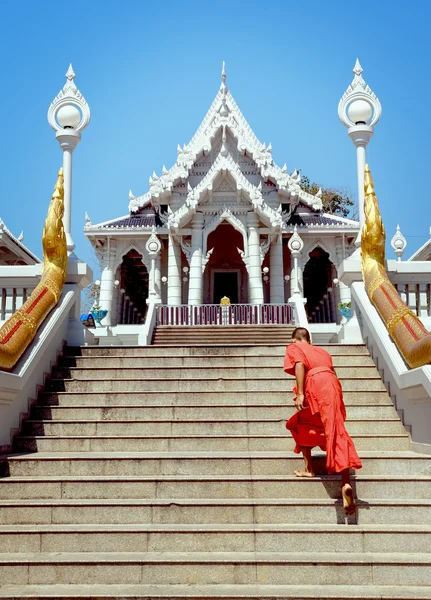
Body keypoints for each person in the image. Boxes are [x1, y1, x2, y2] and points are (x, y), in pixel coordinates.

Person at [283, 326, 362, 515]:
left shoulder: (294, 347)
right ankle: (345, 483)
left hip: (315, 385)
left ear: (295, 340)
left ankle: (309, 468)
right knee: (335, 430)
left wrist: (301, 393)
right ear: (310, 340)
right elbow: (333, 373)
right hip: (332, 385)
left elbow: (300, 364)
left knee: (299, 423)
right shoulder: (323, 352)